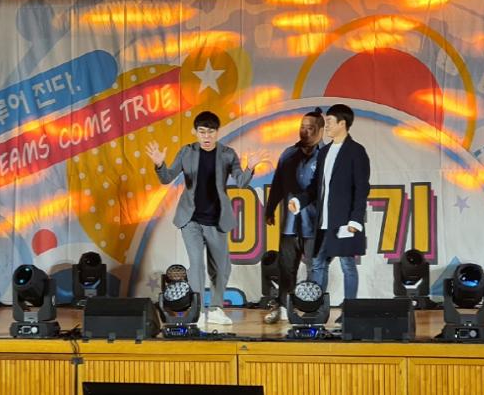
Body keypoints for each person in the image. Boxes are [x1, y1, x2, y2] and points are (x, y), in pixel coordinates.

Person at [146, 111, 265, 326]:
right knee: (196, 264)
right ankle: (199, 310)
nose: (206, 137)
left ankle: (216, 308)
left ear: (217, 132)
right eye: (202, 132)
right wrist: (159, 165)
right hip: (190, 219)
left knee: (221, 268)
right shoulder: (187, 152)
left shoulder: (227, 154)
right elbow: (167, 178)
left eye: (210, 132)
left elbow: (241, 182)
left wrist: (250, 167)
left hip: (216, 220)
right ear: (195, 132)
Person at [289, 104, 370, 321]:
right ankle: (315, 308)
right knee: (318, 263)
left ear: (343, 123)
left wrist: (355, 220)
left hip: (344, 223)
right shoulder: (324, 152)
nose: (326, 126)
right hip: (324, 222)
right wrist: (300, 201)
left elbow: (362, 188)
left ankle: (349, 311)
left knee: (347, 265)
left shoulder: (356, 151)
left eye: (330, 122)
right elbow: (316, 186)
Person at [263, 108, 325, 324]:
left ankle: (312, 308)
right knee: (286, 268)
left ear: (320, 130)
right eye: (302, 127)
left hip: (315, 224)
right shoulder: (289, 154)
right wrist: (270, 209)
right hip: (289, 224)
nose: (305, 131)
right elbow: (278, 184)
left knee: (314, 268)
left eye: (310, 128)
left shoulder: (326, 155)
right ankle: (283, 307)